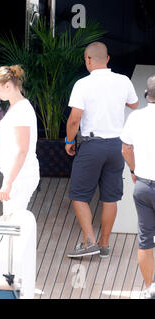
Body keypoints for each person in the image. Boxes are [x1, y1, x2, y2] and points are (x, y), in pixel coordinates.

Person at [65, 42, 138, 258]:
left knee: (79, 195)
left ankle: (89, 242)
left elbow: (74, 119)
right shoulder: (123, 81)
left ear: (87, 60)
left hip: (92, 146)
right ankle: (104, 245)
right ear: (107, 59)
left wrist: (69, 140)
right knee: (110, 198)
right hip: (117, 146)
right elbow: (133, 104)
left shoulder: (82, 84)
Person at [120, 74, 155, 299]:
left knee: (145, 240)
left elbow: (126, 149)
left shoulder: (135, 118)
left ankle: (150, 287)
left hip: (143, 185)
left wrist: (133, 171)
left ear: (145, 94)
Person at [0, 65, 40, 221]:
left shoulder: (21, 110)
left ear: (7, 85)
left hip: (21, 175)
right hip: (18, 174)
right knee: (11, 221)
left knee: (12, 223)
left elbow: (22, 150)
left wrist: (8, 182)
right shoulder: (17, 107)